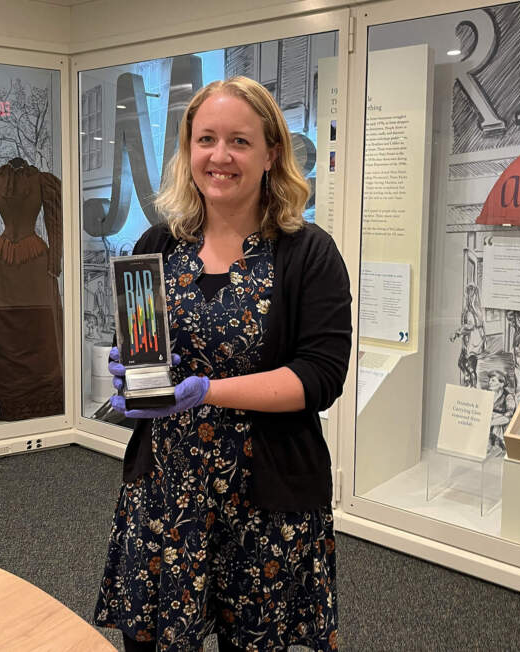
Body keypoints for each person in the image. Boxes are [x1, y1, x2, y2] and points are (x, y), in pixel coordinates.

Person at [93, 77, 352, 652]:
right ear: (188, 152)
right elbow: (142, 350)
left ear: (271, 155)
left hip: (266, 494)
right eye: (205, 139)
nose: (220, 156)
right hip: (167, 488)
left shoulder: (308, 252)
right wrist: (129, 373)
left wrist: (208, 390)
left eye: (239, 141)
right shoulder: (158, 244)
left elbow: (320, 376)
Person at [450, 284, 485, 388]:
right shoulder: (474, 310)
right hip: (471, 342)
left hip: (473, 343)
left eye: (466, 294)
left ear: (470, 296)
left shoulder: (471, 311)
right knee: (463, 363)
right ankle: (469, 382)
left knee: (469, 366)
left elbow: (469, 326)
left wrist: (457, 333)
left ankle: (472, 387)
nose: (464, 296)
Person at [485, 369, 515, 455]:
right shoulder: (487, 394)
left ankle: (497, 444)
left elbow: (509, 413)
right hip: (490, 418)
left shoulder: (508, 396)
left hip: (502, 420)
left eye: (493, 380)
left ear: (501, 384)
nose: (490, 382)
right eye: (490, 380)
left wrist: (493, 421)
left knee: (498, 425)